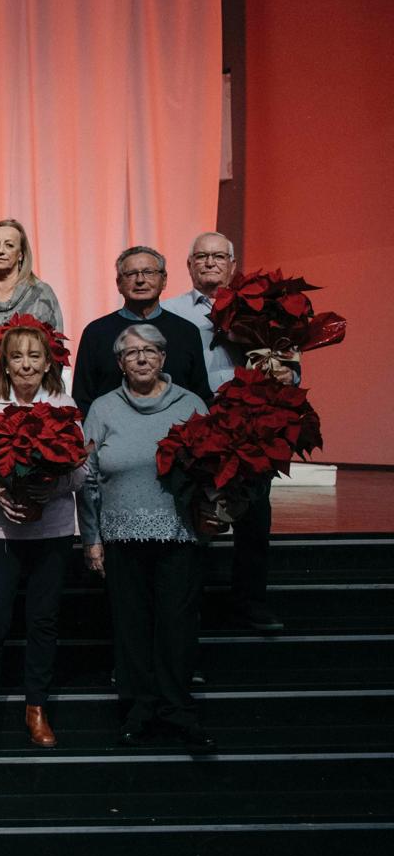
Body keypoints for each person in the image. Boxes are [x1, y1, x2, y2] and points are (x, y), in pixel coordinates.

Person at [79, 324, 216, 754]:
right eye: (132, 352)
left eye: (150, 350)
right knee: (131, 629)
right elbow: (88, 479)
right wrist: (92, 539)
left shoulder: (191, 404)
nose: (141, 358)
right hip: (122, 537)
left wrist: (215, 513)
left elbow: (214, 467)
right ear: (119, 363)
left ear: (163, 357)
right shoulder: (103, 408)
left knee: (177, 627)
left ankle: (179, 713)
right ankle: (139, 712)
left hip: (178, 534)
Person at [0, 324, 86, 749]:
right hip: (1, 528)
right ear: (5, 364)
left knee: (43, 621)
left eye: (35, 356)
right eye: (17, 357)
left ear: (48, 362)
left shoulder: (62, 403)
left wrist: (51, 488)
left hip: (51, 528)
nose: (27, 365)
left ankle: (36, 707)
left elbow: (81, 471)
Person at [163, 232, 293, 634]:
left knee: (255, 517)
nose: (209, 263)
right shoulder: (170, 312)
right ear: (188, 266)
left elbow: (289, 362)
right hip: (194, 423)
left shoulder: (261, 309)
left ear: (232, 264)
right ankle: (189, 610)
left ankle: (250, 603)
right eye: (201, 257)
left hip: (251, 423)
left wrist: (286, 372)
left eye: (218, 256)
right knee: (190, 515)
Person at [72, 246, 211, 415]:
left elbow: (200, 395)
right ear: (118, 283)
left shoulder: (186, 332)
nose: (140, 280)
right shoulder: (96, 333)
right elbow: (82, 399)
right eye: (131, 274)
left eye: (148, 272)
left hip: (177, 434)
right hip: (113, 435)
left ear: (164, 279)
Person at [0, 219, 64, 330]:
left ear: (21, 254)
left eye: (9, 245)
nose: (0, 250)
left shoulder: (41, 294)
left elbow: (55, 344)